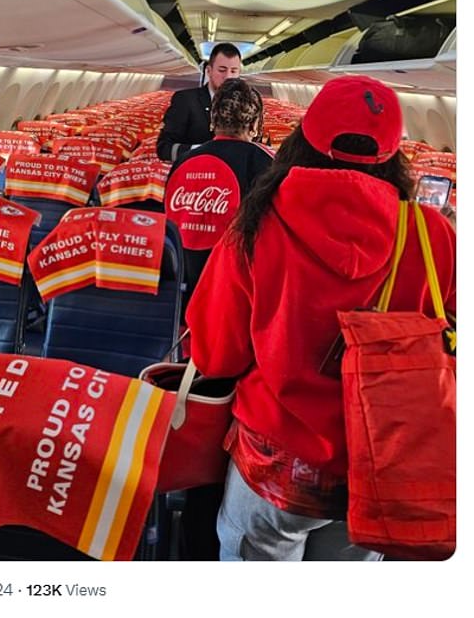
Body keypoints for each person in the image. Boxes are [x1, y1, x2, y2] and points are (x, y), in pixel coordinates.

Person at [185, 75, 456, 561]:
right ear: (395, 153)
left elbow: (215, 354)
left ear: (302, 139)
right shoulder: (433, 234)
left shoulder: (256, 224)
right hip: (382, 456)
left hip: (275, 460)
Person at [165, 77, 273, 294]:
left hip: (182, 285)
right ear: (254, 125)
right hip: (234, 290)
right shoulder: (267, 164)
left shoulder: (184, 161)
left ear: (212, 121)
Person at [157, 42, 242, 162]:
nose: (228, 77)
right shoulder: (185, 100)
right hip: (194, 173)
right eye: (222, 70)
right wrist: (202, 151)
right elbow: (164, 149)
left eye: (233, 71)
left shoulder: (245, 105)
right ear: (209, 71)